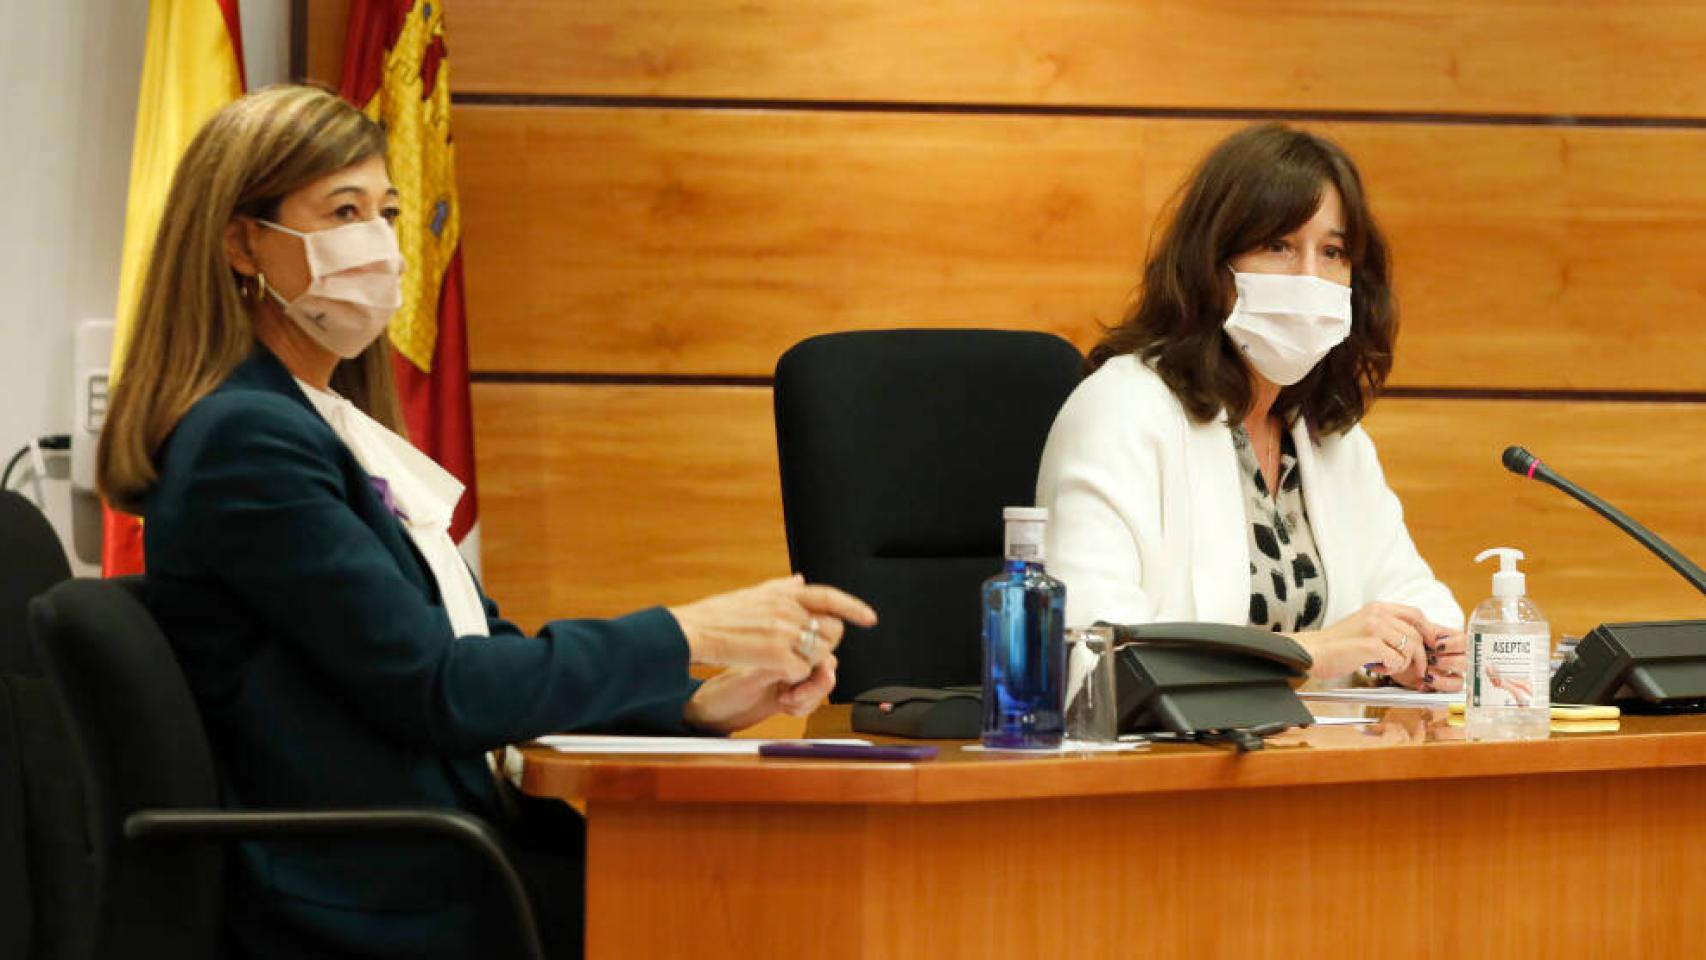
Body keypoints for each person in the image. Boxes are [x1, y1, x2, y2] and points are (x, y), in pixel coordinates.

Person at [95, 85, 875, 960]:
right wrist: (680, 629)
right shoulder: (248, 442)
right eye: (342, 211)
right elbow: (444, 689)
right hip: (371, 893)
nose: (380, 246)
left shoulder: (319, 424)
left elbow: (482, 654)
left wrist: (696, 703)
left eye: (386, 212)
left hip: (437, 860)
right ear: (244, 241)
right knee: (777, 916)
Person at [1035, 122, 1466, 691]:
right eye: (1279, 246)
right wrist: (1310, 652)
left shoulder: (1328, 438)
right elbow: (1091, 656)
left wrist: (1435, 655)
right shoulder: (1122, 409)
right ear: (1213, 265)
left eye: (1332, 252)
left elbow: (1415, 600)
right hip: (1164, 770)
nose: (1311, 278)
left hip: (1314, 759)